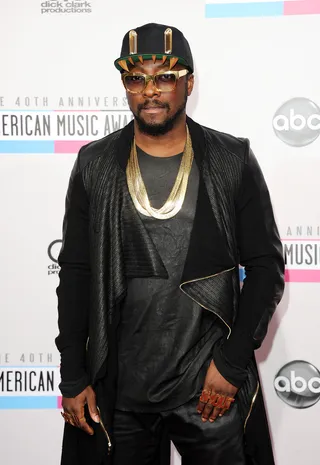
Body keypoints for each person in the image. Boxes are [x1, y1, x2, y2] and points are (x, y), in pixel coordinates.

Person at [55, 23, 285, 465]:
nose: (150, 91)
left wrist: (232, 363)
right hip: (118, 389)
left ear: (188, 82)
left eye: (164, 77)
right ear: (125, 85)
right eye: (136, 79)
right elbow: (77, 273)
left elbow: (265, 269)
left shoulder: (230, 159)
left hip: (208, 389)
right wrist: (72, 375)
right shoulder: (95, 164)